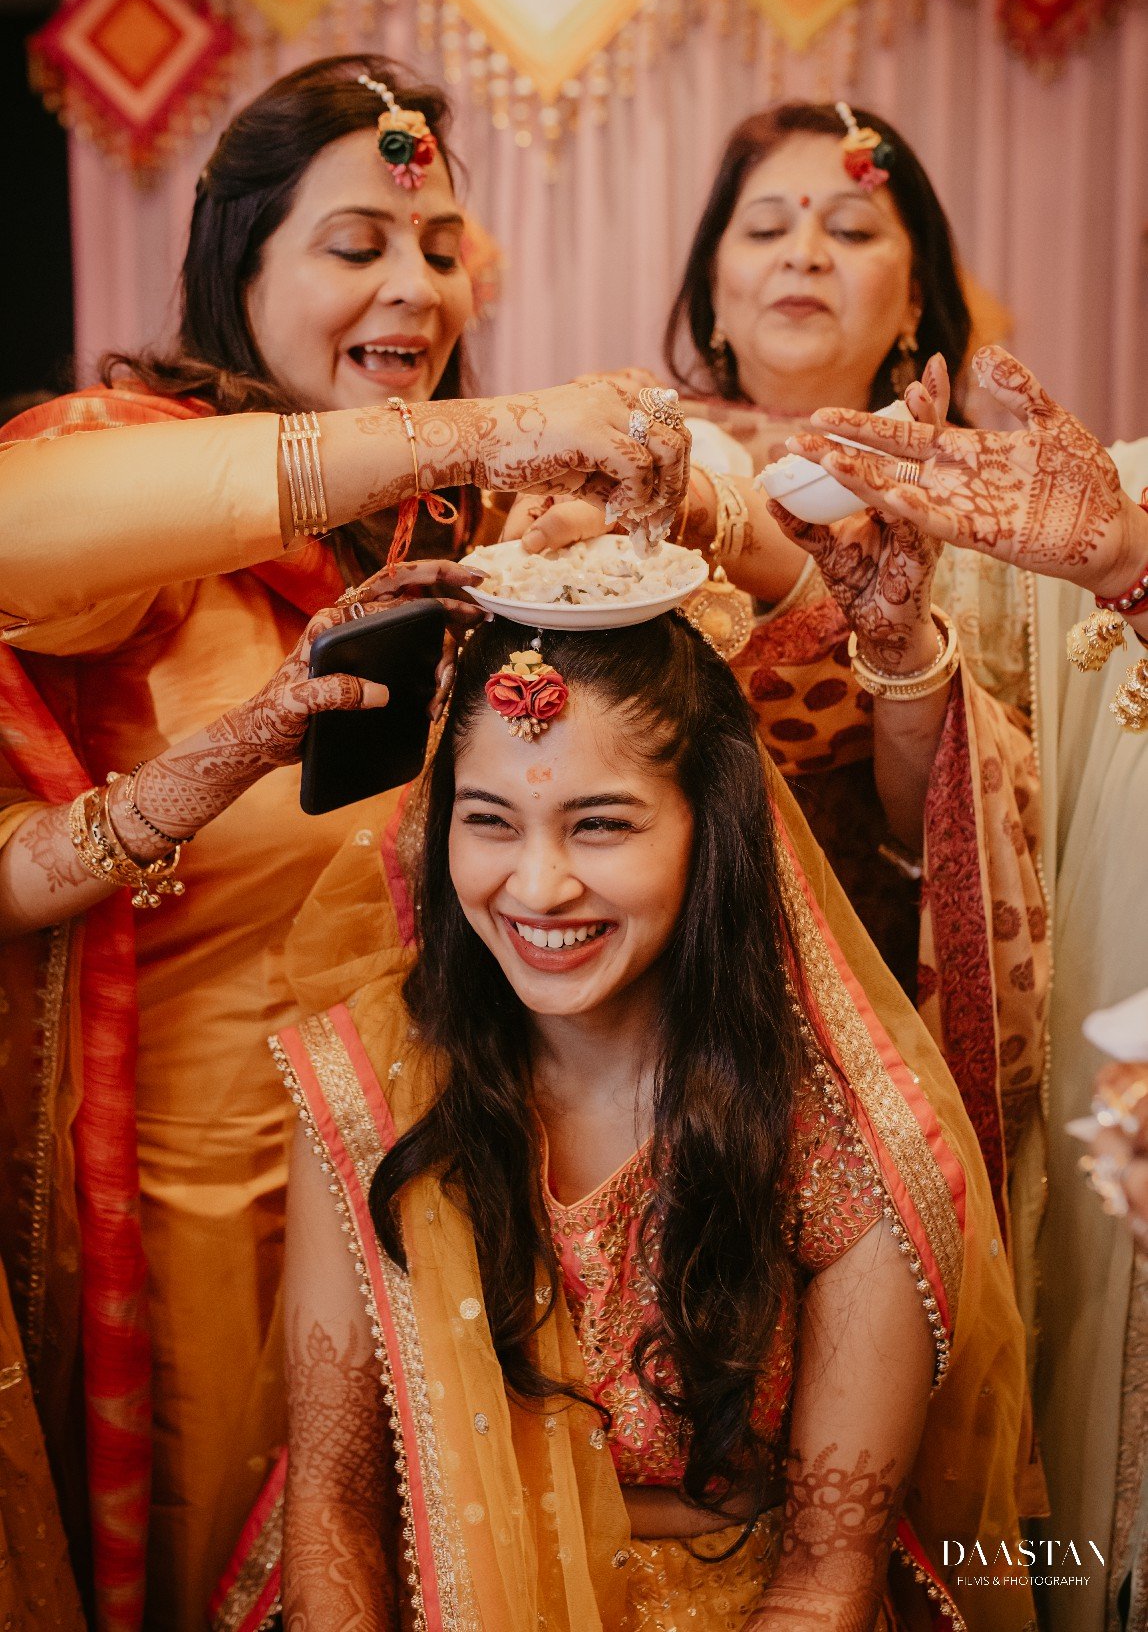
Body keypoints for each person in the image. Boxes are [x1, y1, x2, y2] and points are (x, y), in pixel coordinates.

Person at [0, 53, 686, 1630]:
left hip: (422, 1189)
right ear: (238, 265)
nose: (415, 286)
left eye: (441, 245)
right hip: (183, 1214)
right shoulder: (136, 471)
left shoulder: (450, 547)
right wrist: (471, 436)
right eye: (357, 240)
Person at [272, 610, 1034, 1632]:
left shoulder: (840, 1135)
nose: (536, 887)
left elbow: (826, 1578)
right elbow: (333, 1508)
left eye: (599, 823)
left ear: (710, 829)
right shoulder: (380, 1085)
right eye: (489, 819)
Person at [509, 105, 1046, 1353]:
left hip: (857, 1034)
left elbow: (957, 838)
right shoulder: (619, 462)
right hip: (620, 1016)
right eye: (766, 224)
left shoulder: (989, 510)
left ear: (916, 293)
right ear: (713, 283)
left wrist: (900, 650)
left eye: (850, 225)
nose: (803, 251)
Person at [787, 345, 1148, 1632]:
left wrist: (1128, 574)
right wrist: (895, 649)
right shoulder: (1095, 492)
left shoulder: (1105, 524)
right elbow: (952, 802)